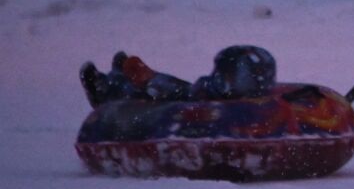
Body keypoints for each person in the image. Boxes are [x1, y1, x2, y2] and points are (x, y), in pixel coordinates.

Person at [79, 46, 278, 107]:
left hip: (191, 98)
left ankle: (121, 80)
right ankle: (111, 87)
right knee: (161, 92)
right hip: (189, 101)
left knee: (166, 91)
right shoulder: (218, 94)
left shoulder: (254, 102)